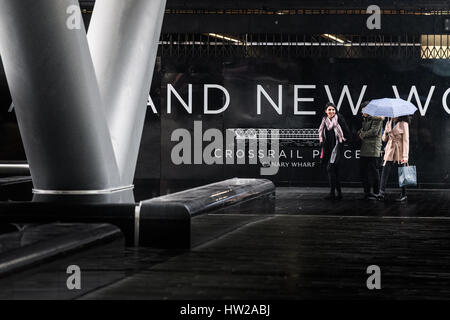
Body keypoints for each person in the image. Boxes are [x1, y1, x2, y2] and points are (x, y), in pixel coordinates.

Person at [319, 102, 350, 200]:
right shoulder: (324, 120)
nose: (331, 111)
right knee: (334, 171)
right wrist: (322, 142)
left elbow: (346, 131)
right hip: (328, 148)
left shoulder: (339, 118)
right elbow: (321, 131)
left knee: (330, 168)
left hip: (337, 148)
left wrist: (343, 139)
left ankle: (332, 192)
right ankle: (339, 193)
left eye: (333, 109)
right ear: (326, 111)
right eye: (329, 110)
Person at [377, 116, 410, 202]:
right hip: (390, 149)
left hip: (400, 150)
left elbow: (406, 140)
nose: (393, 116)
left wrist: (405, 156)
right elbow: (384, 139)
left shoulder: (404, 124)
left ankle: (404, 194)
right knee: (385, 170)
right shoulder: (388, 122)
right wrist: (386, 133)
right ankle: (381, 192)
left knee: (402, 172)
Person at [358, 102, 384, 200]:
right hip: (365, 148)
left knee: (374, 171)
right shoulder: (366, 119)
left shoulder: (377, 119)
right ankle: (367, 192)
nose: (362, 112)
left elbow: (374, 132)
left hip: (373, 149)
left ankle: (377, 192)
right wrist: (360, 132)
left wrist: (362, 134)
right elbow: (363, 130)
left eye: (364, 110)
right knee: (364, 171)